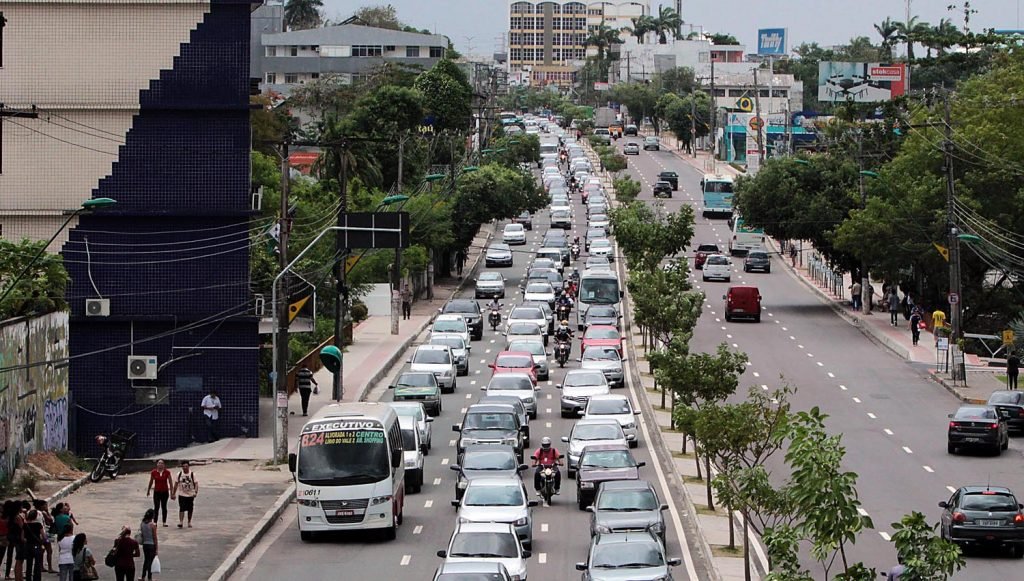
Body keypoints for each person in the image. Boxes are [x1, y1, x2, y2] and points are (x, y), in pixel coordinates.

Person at [172, 461, 198, 528]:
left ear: (188, 466)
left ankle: (189, 522)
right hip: (182, 494)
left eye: (186, 466)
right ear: (182, 467)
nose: (185, 468)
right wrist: (173, 493)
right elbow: (176, 484)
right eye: (183, 466)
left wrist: (195, 492)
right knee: (182, 508)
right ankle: (181, 522)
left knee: (190, 508)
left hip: (190, 494)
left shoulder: (192, 474)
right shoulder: (179, 474)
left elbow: (196, 484)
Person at [146, 461, 172, 527]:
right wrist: (148, 490)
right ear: (157, 464)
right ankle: (155, 522)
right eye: (159, 463)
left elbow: (170, 482)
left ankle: (164, 522)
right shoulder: (154, 472)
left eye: (162, 463)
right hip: (157, 492)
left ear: (164, 465)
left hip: (165, 491)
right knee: (156, 507)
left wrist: (172, 492)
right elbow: (151, 481)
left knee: (164, 506)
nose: (160, 465)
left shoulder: (167, 472)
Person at [32, 501, 52, 574]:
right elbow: (50, 520)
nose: (46, 506)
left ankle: (41, 566)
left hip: (37, 534)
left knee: (41, 551)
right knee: (49, 550)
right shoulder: (43, 513)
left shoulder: (33, 513)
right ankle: (50, 567)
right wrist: (47, 511)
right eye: (45, 505)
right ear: (41, 506)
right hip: (44, 534)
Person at [23, 510, 43, 581]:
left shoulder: (25, 525)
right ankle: (36, 578)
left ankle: (28, 578)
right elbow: (43, 535)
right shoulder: (38, 525)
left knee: (29, 563)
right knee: (37, 563)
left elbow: (23, 537)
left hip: (28, 545)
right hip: (36, 545)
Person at [137, 511, 157, 581]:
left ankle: (143, 577)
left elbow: (142, 534)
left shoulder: (142, 524)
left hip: (145, 544)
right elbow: (155, 538)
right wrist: (156, 548)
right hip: (151, 545)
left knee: (146, 561)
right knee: (150, 562)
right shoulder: (153, 525)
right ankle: (149, 578)